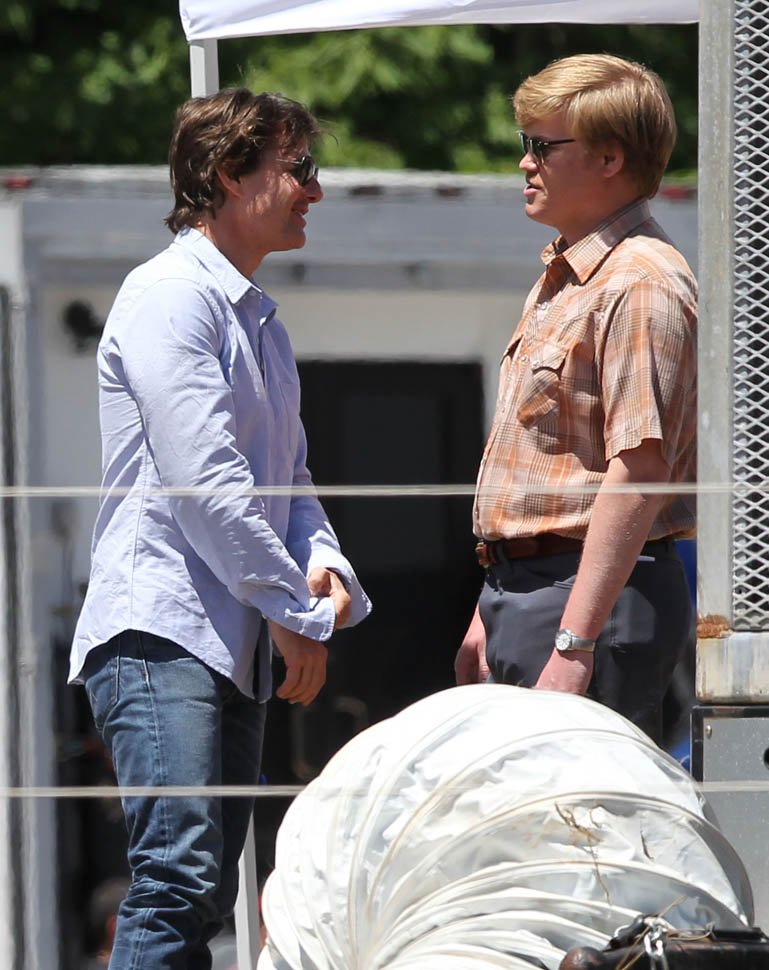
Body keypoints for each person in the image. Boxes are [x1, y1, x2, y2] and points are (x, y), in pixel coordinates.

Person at [69, 88, 370, 969]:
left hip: (223, 641)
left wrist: (325, 572)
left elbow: (289, 480)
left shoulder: (253, 318)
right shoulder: (170, 296)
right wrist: (294, 609)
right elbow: (206, 484)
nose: (315, 189)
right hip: (161, 633)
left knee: (194, 892)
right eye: (298, 168)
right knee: (178, 882)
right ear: (230, 174)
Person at [454, 54, 696, 744]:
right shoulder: (569, 275)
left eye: (541, 145)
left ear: (609, 158)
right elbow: (544, 464)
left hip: (587, 602)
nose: (524, 163)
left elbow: (639, 471)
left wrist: (574, 640)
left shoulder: (638, 281)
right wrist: (490, 607)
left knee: (580, 804)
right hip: (539, 595)